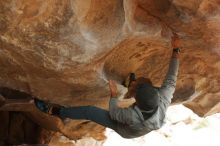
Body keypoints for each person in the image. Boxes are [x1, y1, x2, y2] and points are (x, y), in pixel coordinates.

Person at [34, 33, 181, 138]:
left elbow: (114, 112)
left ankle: (54, 111)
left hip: (125, 129)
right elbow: (172, 77)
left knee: (89, 111)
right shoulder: (164, 97)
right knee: (140, 82)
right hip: (144, 112)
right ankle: (129, 84)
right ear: (156, 94)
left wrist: (113, 94)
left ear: (137, 102)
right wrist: (176, 49)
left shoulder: (131, 116)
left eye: (135, 91)